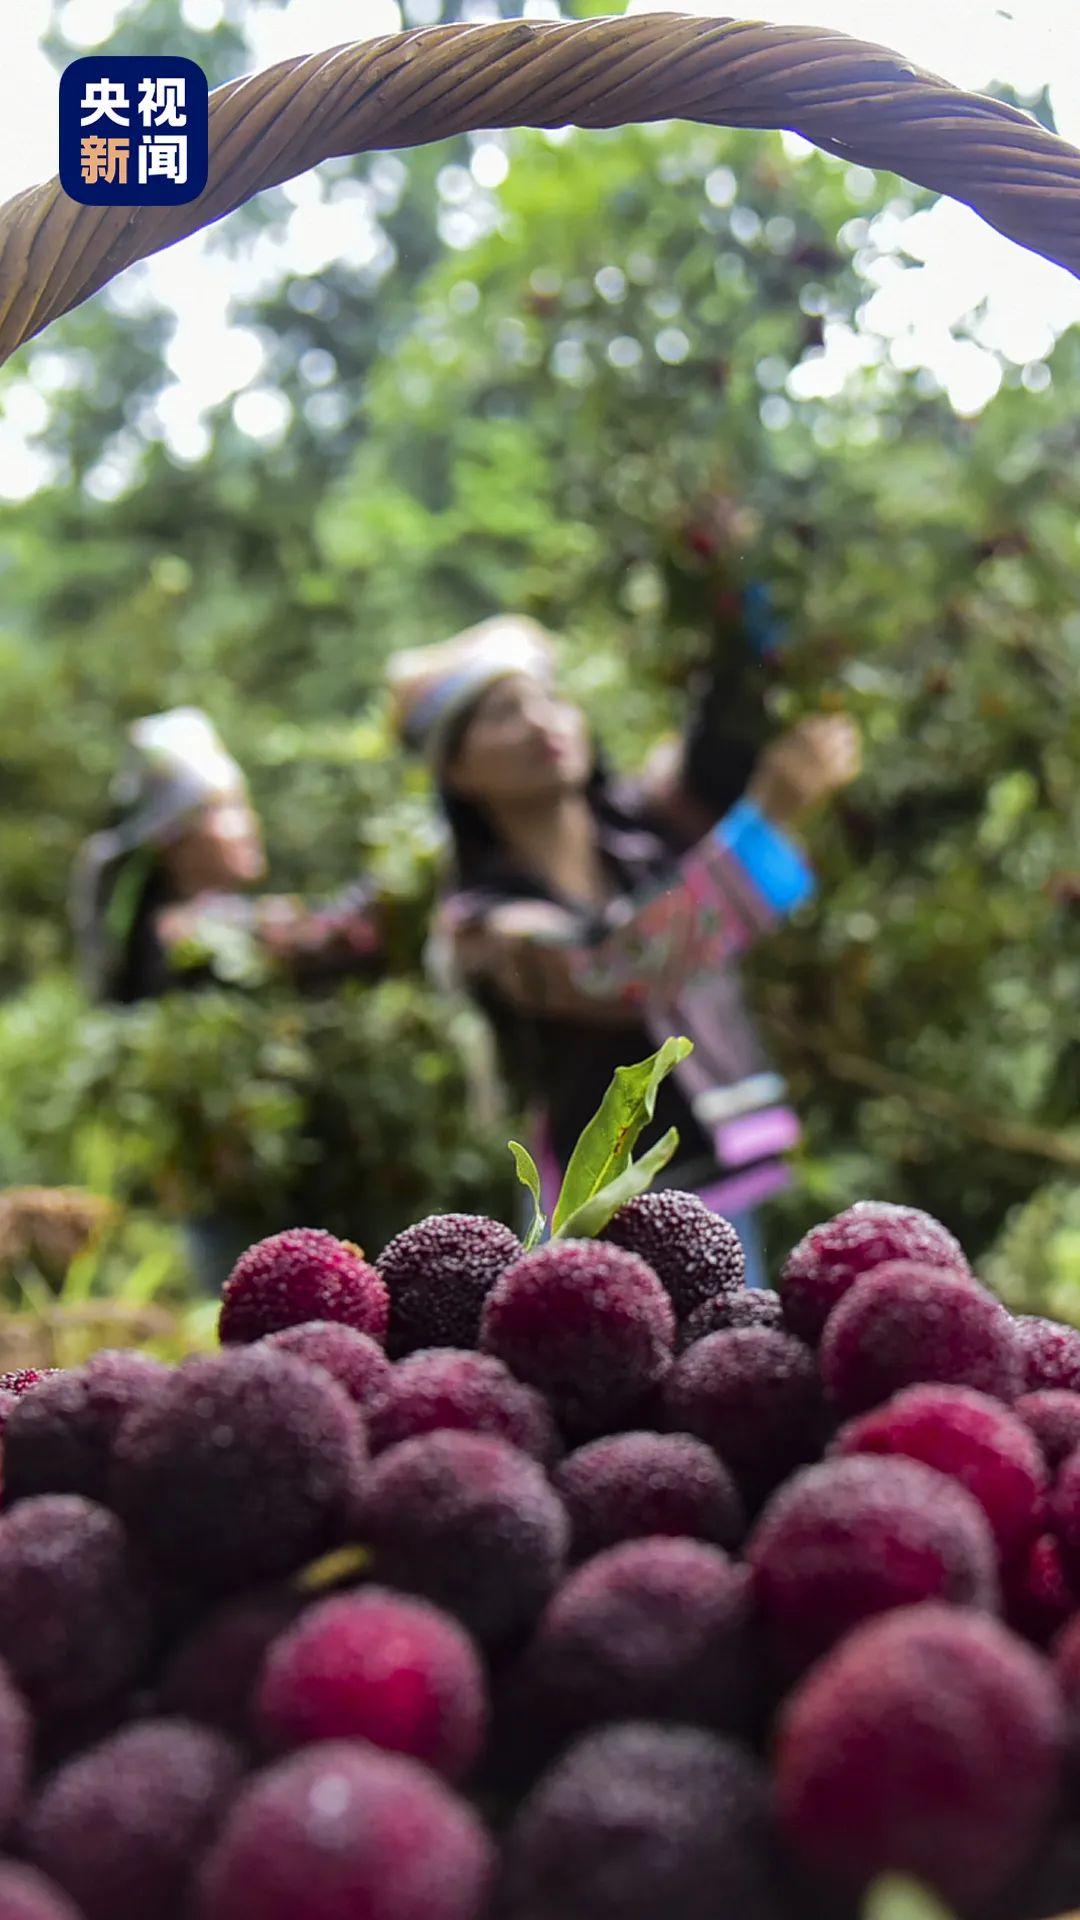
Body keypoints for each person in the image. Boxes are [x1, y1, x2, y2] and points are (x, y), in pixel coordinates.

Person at [389, 618, 860, 1286]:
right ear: (457, 769)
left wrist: (735, 598)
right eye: (502, 714)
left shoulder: (640, 835)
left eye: (546, 700)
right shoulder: (484, 924)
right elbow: (618, 973)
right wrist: (772, 816)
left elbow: (720, 732)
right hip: (615, 1212)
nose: (538, 722)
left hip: (716, 1163)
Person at [71, 707, 382, 1006]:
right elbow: (325, 936)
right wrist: (394, 884)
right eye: (226, 809)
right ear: (173, 840)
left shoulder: (168, 930)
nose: (248, 824)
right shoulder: (187, 937)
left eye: (242, 806)